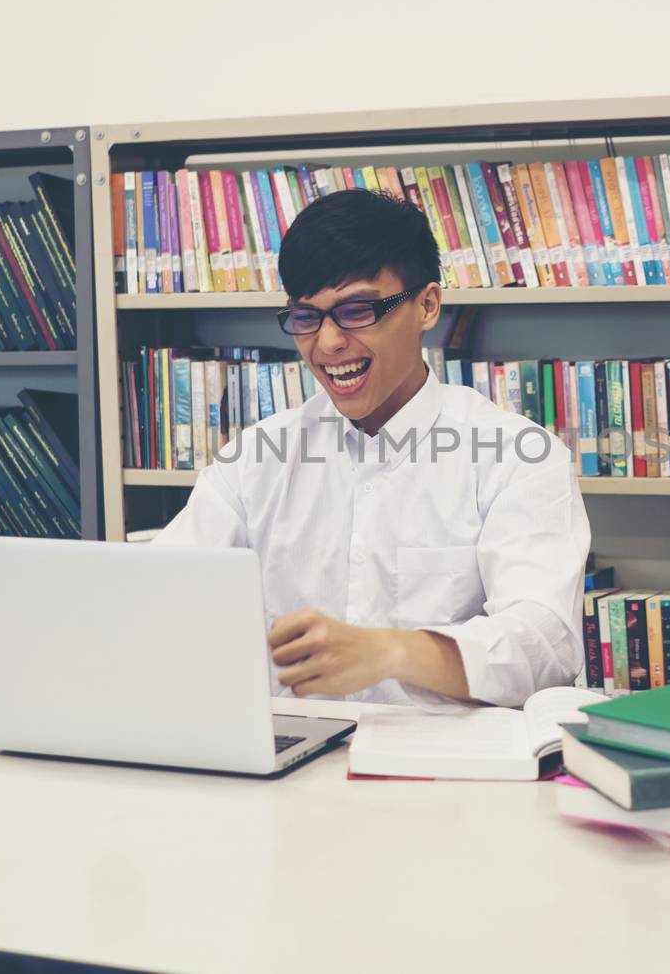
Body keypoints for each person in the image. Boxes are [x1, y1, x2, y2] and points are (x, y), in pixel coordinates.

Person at [154, 188, 591, 707]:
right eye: (305, 317)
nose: (328, 343)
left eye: (356, 310)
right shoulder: (254, 460)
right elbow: (160, 596)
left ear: (427, 305)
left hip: (455, 772)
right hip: (286, 768)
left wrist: (390, 652)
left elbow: (545, 646)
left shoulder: (516, 455)